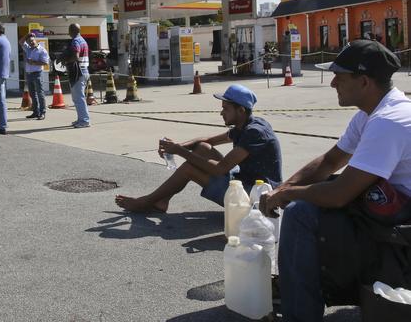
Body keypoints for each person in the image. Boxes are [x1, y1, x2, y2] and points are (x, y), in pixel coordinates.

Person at [260, 39, 411, 322]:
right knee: (308, 195)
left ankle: (299, 315)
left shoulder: (388, 121)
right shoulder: (370, 113)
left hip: (404, 221)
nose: (332, 84)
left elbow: (339, 194)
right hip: (392, 205)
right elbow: (329, 162)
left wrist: (288, 195)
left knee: (301, 213)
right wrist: (282, 188)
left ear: (364, 82)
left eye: (339, 77)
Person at [115, 84, 282, 212]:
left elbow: (220, 169)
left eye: (225, 109)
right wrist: (176, 146)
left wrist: (180, 152)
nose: (221, 113)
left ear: (240, 110)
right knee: (203, 147)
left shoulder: (255, 132)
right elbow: (208, 140)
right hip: (245, 181)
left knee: (189, 168)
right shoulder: (244, 125)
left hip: (257, 196)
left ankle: (147, 201)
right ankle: (161, 201)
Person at [60, 23, 90, 128]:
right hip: (84, 71)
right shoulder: (83, 40)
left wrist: (66, 60)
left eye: (69, 30)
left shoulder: (76, 41)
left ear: (72, 31)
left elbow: (76, 57)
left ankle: (84, 121)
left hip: (78, 72)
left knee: (78, 98)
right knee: (78, 98)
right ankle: (81, 119)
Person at [19, 32, 50, 120]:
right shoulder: (28, 48)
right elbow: (21, 42)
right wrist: (27, 35)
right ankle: (35, 111)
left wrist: (33, 62)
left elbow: (45, 62)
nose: (31, 43)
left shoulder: (42, 50)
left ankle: (42, 112)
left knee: (40, 93)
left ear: (35, 40)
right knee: (32, 94)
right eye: (29, 41)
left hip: (37, 73)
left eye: (32, 41)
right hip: (29, 74)